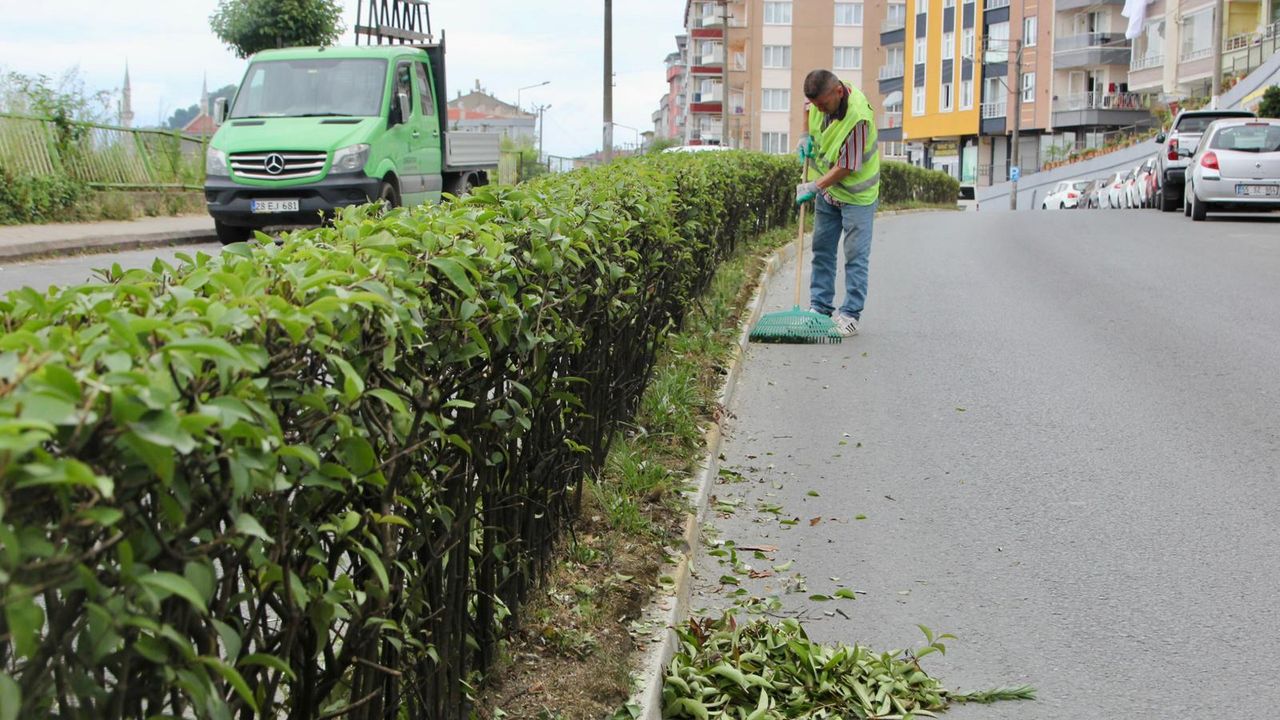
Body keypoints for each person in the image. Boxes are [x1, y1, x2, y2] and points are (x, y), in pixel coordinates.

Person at [795, 69, 880, 337]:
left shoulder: (858, 118)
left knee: (855, 256)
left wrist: (814, 186)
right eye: (816, 105)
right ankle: (820, 308)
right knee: (822, 249)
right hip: (828, 193)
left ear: (839, 92)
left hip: (857, 196)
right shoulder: (819, 99)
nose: (819, 109)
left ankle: (850, 315)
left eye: (823, 104)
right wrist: (804, 134)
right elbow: (807, 107)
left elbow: (847, 166)